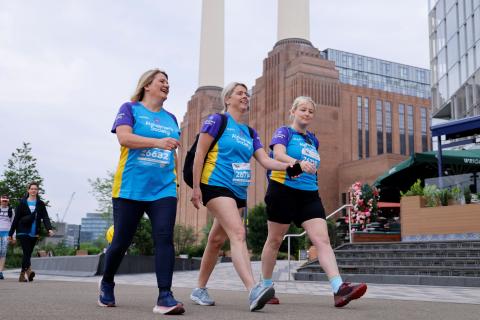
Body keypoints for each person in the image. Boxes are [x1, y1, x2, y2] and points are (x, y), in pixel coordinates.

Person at [190, 82, 299, 312]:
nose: (245, 96)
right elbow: (200, 152)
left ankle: (199, 288)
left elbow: (266, 161)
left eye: (246, 93)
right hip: (215, 184)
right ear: (227, 99)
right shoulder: (216, 121)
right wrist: (196, 187)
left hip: (238, 191)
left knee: (216, 240)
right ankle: (253, 290)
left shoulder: (250, 132)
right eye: (240, 93)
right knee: (238, 232)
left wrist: (290, 165)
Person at [260, 96, 367, 308]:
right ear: (293, 111)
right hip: (282, 190)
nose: (307, 114)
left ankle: (338, 288)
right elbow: (278, 153)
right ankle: (265, 286)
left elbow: (313, 166)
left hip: (309, 194)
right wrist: (297, 163)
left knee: (323, 241)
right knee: (274, 240)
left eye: (310, 111)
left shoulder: (313, 140)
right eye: (303, 109)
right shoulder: (284, 132)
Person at [98, 68, 184, 315]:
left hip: (164, 188)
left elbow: (173, 151)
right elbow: (124, 138)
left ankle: (164, 296)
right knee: (121, 241)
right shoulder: (130, 108)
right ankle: (107, 282)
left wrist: (177, 181)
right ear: (147, 85)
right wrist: (157, 142)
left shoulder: (171, 119)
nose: (167, 85)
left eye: (168, 82)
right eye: (161, 81)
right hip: (131, 187)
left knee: (165, 237)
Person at [8, 182, 54, 282]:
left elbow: (45, 217)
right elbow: (16, 219)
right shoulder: (22, 203)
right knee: (27, 252)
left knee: (27, 253)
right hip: (23, 231)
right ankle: (22, 274)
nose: (33, 190)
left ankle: (28, 272)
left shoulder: (40, 203)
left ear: (37, 191)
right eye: (32, 189)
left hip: (34, 232)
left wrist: (49, 229)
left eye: (35, 189)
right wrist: (10, 233)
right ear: (28, 190)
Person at [0, 195, 14, 280]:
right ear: (0, 201)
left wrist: (13, 236)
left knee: (3, 251)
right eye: (3, 200)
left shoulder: (11, 210)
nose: (4, 202)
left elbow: (13, 223)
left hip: (7, 233)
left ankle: (0, 272)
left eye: (6, 201)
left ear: (8, 201)